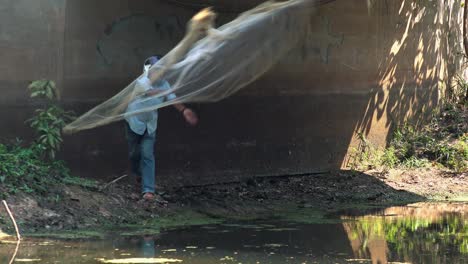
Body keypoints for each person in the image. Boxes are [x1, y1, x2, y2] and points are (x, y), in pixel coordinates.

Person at [125, 56, 198, 201]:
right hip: (134, 122)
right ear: (149, 70)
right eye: (156, 69)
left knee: (147, 154)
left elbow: (172, 98)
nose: (160, 73)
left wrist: (184, 110)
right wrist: (164, 92)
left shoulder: (164, 84)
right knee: (134, 154)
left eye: (161, 70)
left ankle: (148, 190)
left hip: (150, 125)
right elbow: (151, 92)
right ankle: (138, 174)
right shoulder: (142, 82)